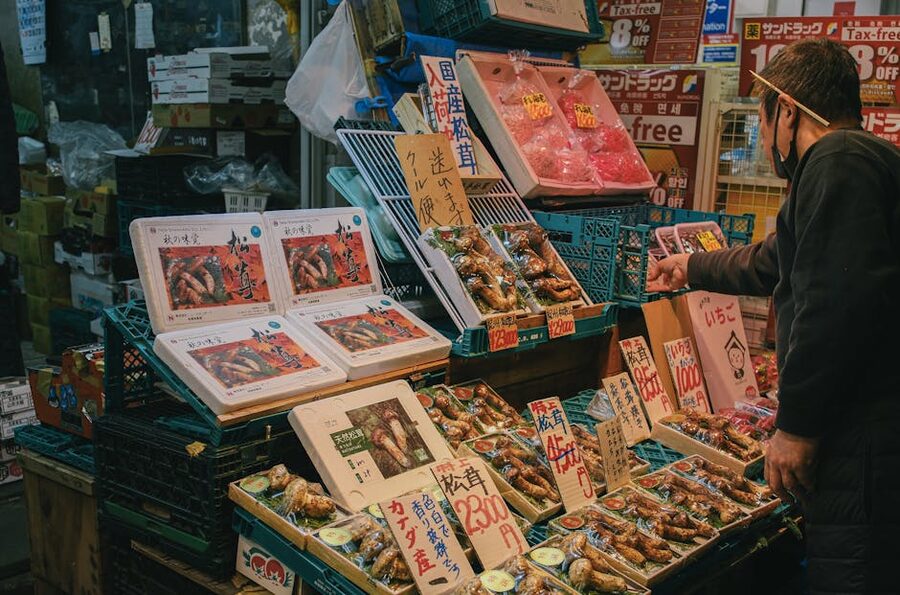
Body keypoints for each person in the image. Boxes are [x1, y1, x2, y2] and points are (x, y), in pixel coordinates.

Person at [648, 38, 900, 594]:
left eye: (763, 123)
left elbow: (834, 306)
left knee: (852, 574)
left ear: (787, 109)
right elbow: (772, 262)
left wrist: (796, 427)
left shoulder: (838, 161)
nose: (763, 142)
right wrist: (689, 265)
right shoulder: (857, 163)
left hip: (865, 440)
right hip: (863, 430)